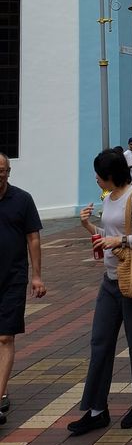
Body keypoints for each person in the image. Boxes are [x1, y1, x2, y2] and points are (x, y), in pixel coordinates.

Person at [68, 149, 132, 435]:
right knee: (100, 343)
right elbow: (107, 233)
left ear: (112, 175)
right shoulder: (108, 198)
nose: (96, 179)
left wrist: (120, 240)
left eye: (100, 175)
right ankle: (97, 411)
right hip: (110, 282)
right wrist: (89, 227)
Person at [0, 153, 46, 427]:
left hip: (13, 279)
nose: (0, 175)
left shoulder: (22, 200)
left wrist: (37, 276)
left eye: (3, 170)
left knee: (5, 338)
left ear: (9, 172)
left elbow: (33, 237)